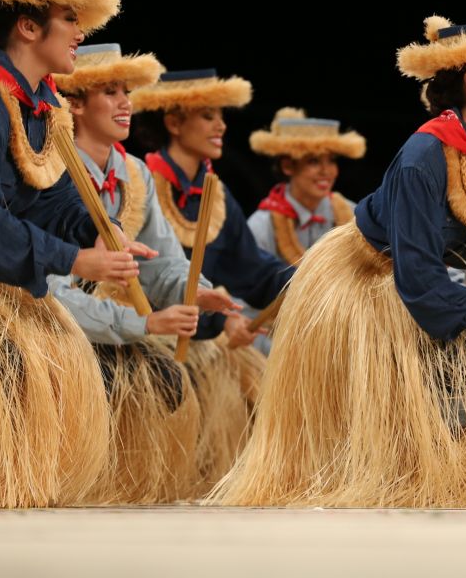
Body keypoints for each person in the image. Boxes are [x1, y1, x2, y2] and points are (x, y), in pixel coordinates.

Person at [211, 16, 466, 507]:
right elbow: (416, 275)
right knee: (425, 379)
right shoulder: (425, 155)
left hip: (442, 284)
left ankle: (451, 478)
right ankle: (390, 476)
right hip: (371, 281)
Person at [0, 0, 146, 507]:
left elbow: (53, 198)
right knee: (13, 367)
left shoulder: (39, 108)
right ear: (27, 26)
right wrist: (75, 261)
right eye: (69, 19)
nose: (77, 33)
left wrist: (101, 232)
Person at [50, 43, 242, 502]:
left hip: (119, 324)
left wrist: (195, 292)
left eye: (127, 91)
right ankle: (67, 474)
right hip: (61, 329)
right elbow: (52, 292)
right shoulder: (50, 173)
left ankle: (123, 483)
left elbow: (164, 264)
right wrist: (144, 324)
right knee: (102, 377)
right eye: (110, 92)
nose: (125, 103)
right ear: (75, 104)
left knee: (166, 379)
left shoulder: (133, 173)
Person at [129, 67, 285, 489]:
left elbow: (252, 270)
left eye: (221, 115)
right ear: (174, 122)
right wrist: (221, 321)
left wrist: (308, 277)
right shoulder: (139, 183)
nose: (221, 125)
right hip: (148, 349)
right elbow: (136, 279)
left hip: (208, 350)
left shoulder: (214, 194)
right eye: (208, 116)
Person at [247, 108, 365, 264]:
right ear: (287, 166)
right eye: (313, 161)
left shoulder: (353, 216)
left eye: (331, 160)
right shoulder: (262, 226)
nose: (326, 171)